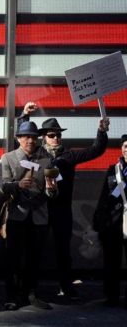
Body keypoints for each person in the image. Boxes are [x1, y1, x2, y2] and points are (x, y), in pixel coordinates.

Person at [17, 101, 109, 299]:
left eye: (58, 134)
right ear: (43, 137)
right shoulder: (35, 154)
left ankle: (66, 286)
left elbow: (96, 150)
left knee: (63, 251)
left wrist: (101, 131)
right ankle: (29, 288)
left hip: (61, 211)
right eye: (51, 135)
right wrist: (24, 115)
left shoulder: (69, 156)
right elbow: (23, 137)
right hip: (39, 209)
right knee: (34, 249)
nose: (56, 138)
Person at [1, 121, 58, 310]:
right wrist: (17, 185)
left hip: (39, 215)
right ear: (18, 138)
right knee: (13, 257)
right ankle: (11, 295)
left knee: (35, 257)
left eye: (33, 137)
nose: (30, 140)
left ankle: (31, 293)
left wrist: (52, 188)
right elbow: (3, 186)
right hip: (17, 214)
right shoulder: (8, 158)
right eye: (26, 136)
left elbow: (54, 190)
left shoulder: (48, 158)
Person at [93, 134, 127, 307]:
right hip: (113, 222)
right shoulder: (113, 169)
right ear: (121, 148)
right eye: (125, 146)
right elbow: (105, 196)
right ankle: (111, 296)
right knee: (111, 260)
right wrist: (99, 218)